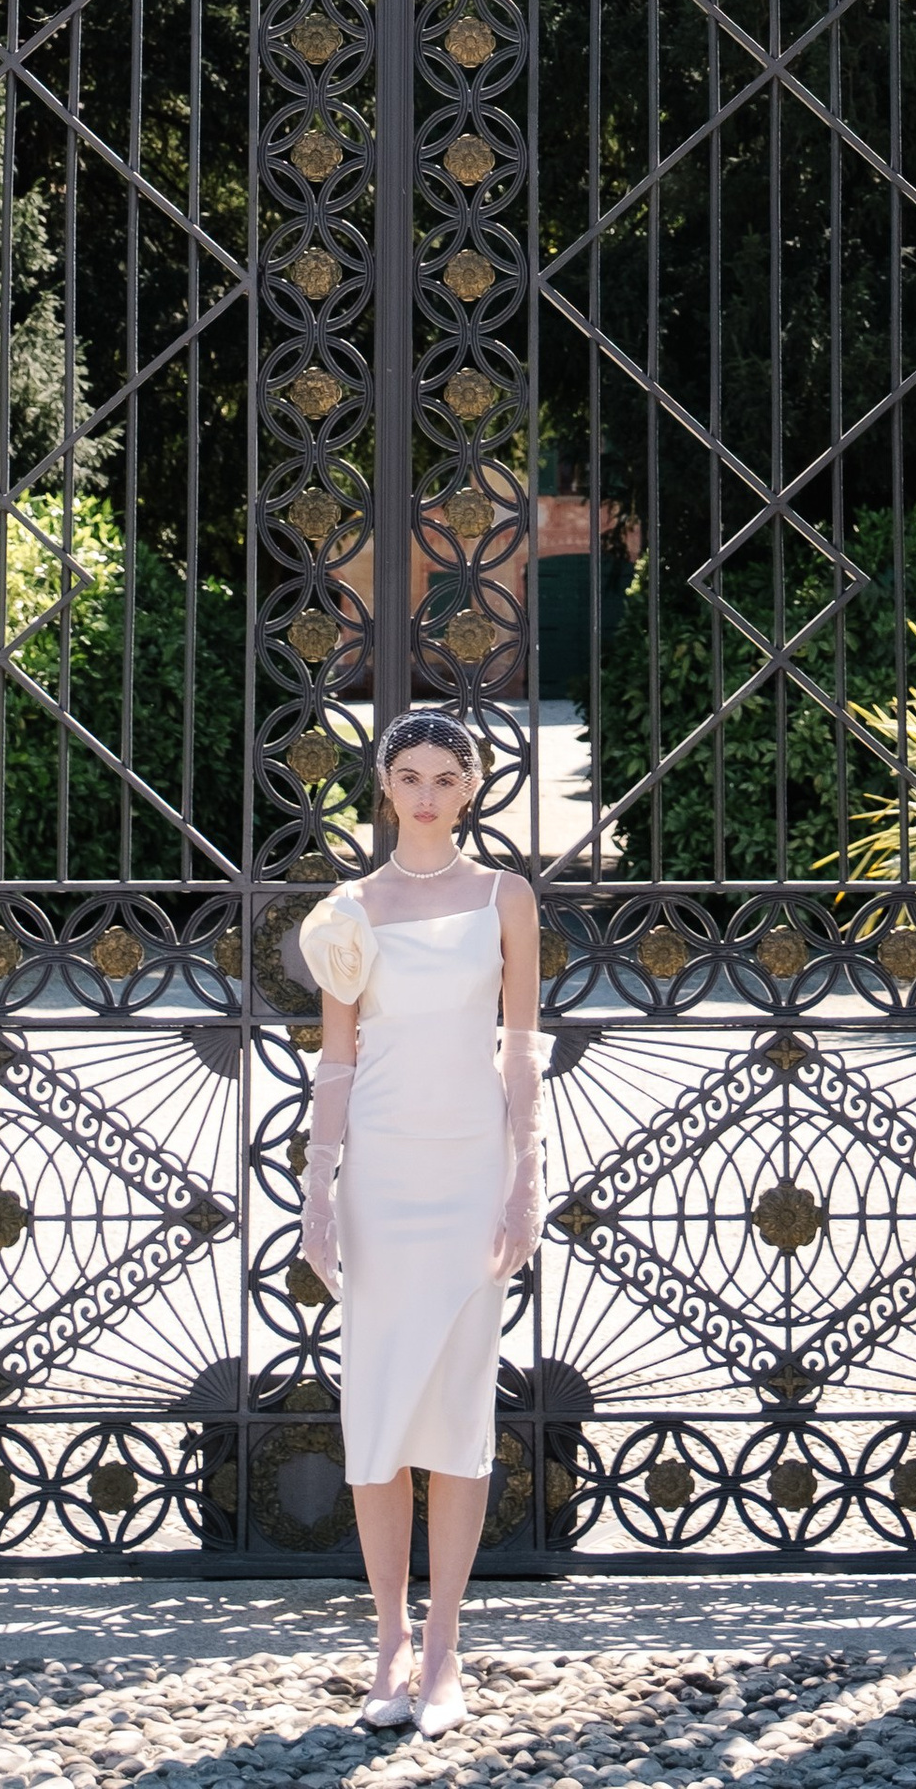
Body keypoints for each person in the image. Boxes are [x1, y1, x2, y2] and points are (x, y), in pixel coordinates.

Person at [297, 710, 544, 1738]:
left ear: (474, 787)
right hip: (383, 1177)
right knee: (379, 1411)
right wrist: (316, 1188)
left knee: (456, 1409)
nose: (429, 794)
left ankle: (444, 1647)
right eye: (410, 776)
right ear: (384, 787)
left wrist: (525, 1178)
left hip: (473, 1170)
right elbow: (338, 1057)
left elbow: (523, 1045)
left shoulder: (505, 898)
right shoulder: (348, 909)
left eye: (448, 776)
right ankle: (387, 1641)